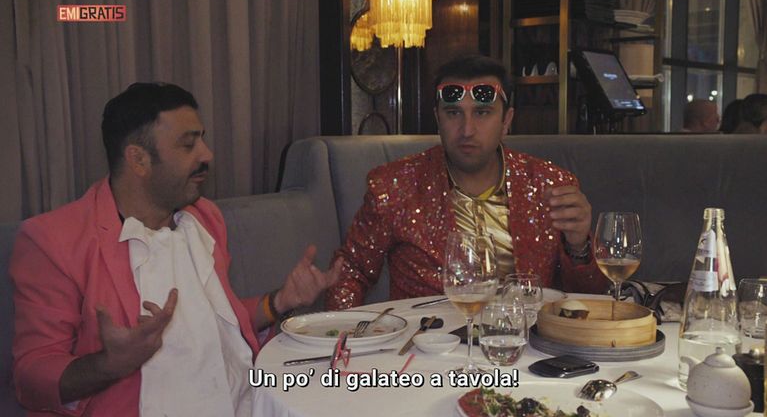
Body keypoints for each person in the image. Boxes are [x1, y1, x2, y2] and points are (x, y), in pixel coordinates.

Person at [10, 83, 342, 416]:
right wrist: (110, 364)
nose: (207, 154)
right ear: (138, 159)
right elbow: (30, 376)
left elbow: (212, 321)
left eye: (202, 139)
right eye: (188, 144)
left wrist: (280, 301)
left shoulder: (204, 218)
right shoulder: (54, 240)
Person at [326, 55, 608, 310]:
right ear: (437, 118)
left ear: (506, 121)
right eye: (453, 113)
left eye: (482, 113)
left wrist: (579, 247)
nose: (467, 130)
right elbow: (351, 271)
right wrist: (343, 339)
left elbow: (587, 302)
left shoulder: (552, 185)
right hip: (425, 343)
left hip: (528, 343)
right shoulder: (393, 186)